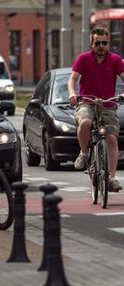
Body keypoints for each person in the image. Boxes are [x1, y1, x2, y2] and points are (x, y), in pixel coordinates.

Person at [68, 27, 124, 192]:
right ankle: (84, 154)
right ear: (91, 44)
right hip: (87, 102)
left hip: (108, 104)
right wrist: (72, 94)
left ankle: (112, 178)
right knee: (85, 122)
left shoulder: (115, 60)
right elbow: (73, 79)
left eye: (104, 43)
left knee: (112, 139)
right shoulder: (83, 59)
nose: (101, 46)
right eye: (97, 43)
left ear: (108, 44)